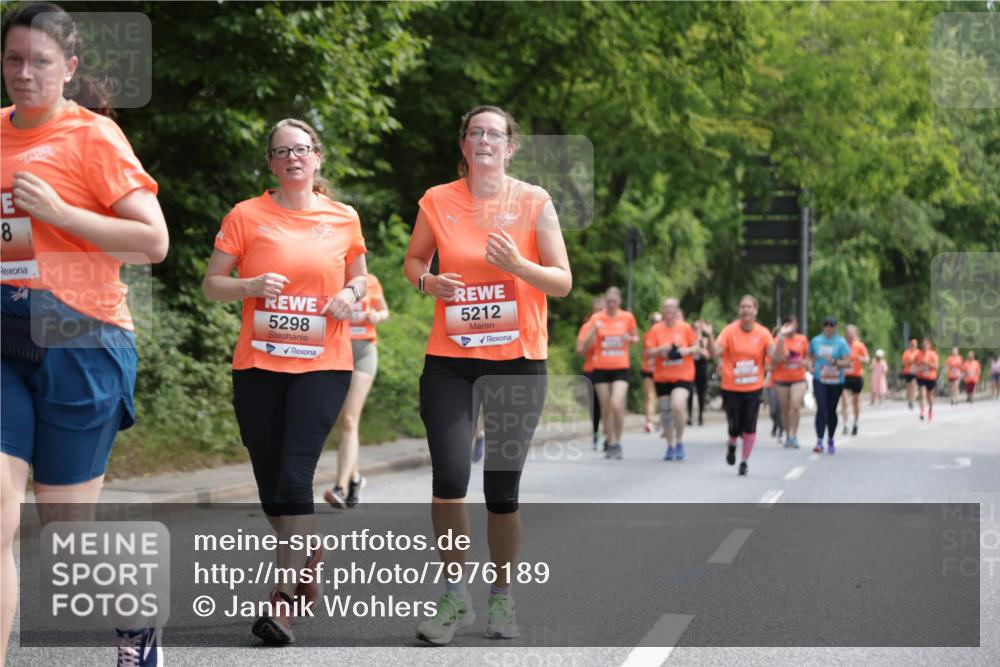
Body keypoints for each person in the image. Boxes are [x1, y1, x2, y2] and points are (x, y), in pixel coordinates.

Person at [1, 4, 169, 665]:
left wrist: (61, 211)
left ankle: (135, 627)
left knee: (66, 533)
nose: (24, 73)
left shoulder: (93, 136)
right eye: (13, 59)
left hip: (81, 338)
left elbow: (152, 240)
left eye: (40, 61)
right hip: (5, 334)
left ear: (68, 68)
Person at [403, 105, 571, 645]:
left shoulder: (534, 202)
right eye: (475, 132)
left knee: (502, 491)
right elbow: (413, 262)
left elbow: (563, 281)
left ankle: (502, 597)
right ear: (464, 145)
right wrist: (429, 284)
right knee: (449, 481)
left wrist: (519, 266)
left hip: (518, 361)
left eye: (493, 134)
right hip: (451, 360)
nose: (484, 141)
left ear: (510, 147)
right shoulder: (438, 200)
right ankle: (455, 597)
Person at [203, 118, 367, 645]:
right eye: (281, 151)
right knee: (271, 487)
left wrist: (352, 295)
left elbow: (359, 276)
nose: (293, 158)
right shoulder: (246, 215)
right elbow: (212, 285)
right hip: (258, 365)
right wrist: (248, 283)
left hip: (323, 364)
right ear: (271, 163)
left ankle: (283, 601)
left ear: (317, 158)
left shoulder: (343, 218)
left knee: (296, 478)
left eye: (301, 149)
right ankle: (308, 553)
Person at [324, 273, 388, 508]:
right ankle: (355, 479)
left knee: (350, 420)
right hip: (335, 352)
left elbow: (385, 311)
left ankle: (340, 487)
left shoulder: (370, 281)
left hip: (363, 353)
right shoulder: (328, 277)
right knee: (341, 421)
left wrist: (376, 316)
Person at [705, 295, 789, 476]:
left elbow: (776, 358)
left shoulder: (763, 333)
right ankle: (732, 445)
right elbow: (714, 353)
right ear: (739, 310)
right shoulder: (729, 331)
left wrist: (781, 339)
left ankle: (744, 461)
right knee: (734, 426)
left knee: (750, 425)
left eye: (749, 307)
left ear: (755, 311)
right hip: (731, 386)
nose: (745, 310)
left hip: (753, 387)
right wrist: (710, 335)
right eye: (742, 307)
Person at [580, 286, 637, 460]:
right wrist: (593, 331)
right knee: (605, 407)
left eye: (614, 301)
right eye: (609, 302)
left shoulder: (627, 317)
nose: (611, 305)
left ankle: (618, 440)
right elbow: (584, 347)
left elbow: (635, 338)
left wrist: (629, 339)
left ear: (619, 301)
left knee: (616, 404)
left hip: (620, 367)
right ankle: (611, 442)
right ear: (605, 301)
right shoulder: (597, 318)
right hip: (601, 368)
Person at [646, 298, 699, 461]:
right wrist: (660, 350)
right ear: (663, 310)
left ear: (677, 311)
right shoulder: (656, 329)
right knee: (665, 410)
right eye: (666, 307)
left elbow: (697, 347)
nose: (668, 310)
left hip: (683, 375)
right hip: (662, 376)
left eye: (672, 307)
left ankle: (680, 440)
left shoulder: (685, 328)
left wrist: (685, 350)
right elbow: (648, 352)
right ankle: (670, 445)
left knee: (677, 405)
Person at [807, 316, 852, 454]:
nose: (828, 327)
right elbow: (809, 357)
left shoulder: (841, 342)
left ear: (836, 327)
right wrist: (810, 366)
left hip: (836, 380)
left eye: (831, 325)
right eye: (825, 324)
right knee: (821, 408)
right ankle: (819, 441)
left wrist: (835, 362)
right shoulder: (816, 341)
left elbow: (847, 362)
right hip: (820, 379)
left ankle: (830, 439)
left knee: (831, 411)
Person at [771, 316, 809, 448]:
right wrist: (781, 338)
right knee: (785, 409)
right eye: (789, 324)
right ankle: (788, 434)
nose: (792, 327)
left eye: (794, 324)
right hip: (781, 379)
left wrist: (802, 362)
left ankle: (793, 435)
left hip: (798, 378)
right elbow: (774, 360)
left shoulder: (802, 340)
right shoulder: (777, 340)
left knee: (795, 406)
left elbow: (808, 360)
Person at [575, 296, 604, 450]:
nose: (599, 314)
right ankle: (596, 434)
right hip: (591, 370)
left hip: (609, 370)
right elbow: (580, 350)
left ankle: (609, 436)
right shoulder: (587, 327)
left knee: (609, 404)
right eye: (596, 311)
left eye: (602, 310)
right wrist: (593, 332)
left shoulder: (614, 324)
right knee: (595, 406)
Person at [841, 324, 869, 436]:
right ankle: (845, 425)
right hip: (844, 376)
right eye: (847, 333)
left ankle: (856, 423)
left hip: (857, 376)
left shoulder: (859, 346)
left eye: (851, 333)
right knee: (844, 400)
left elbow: (867, 359)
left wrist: (860, 358)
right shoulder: (842, 345)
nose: (849, 335)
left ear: (855, 334)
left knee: (856, 402)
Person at [641, 310, 663, 433]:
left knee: (662, 397)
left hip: (662, 370)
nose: (656, 324)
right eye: (653, 321)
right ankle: (648, 422)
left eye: (658, 321)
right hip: (648, 368)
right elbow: (645, 352)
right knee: (649, 396)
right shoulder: (648, 335)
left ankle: (661, 420)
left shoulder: (665, 334)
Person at [687, 318, 712, 426]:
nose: (696, 330)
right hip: (690, 367)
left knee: (701, 392)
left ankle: (700, 415)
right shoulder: (688, 339)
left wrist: (700, 348)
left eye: (698, 328)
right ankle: (689, 416)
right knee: (689, 392)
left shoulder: (704, 340)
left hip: (701, 367)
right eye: (694, 328)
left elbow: (708, 355)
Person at [914, 336, 939, 422]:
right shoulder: (918, 354)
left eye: (926, 344)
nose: (924, 345)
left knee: (930, 397)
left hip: (931, 377)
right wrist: (919, 368)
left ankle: (930, 410)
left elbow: (936, 366)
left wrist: (928, 363)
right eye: (923, 344)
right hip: (921, 377)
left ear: (929, 345)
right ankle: (922, 411)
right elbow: (915, 366)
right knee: (922, 393)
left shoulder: (933, 354)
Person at [901, 338, 920, 409]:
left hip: (915, 372)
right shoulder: (906, 353)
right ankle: (909, 400)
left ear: (916, 345)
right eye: (912, 345)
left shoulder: (919, 352)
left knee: (913, 386)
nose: (913, 346)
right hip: (907, 371)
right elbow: (903, 362)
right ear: (910, 345)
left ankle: (912, 401)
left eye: (914, 345)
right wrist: (909, 362)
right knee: (908, 387)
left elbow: (921, 362)